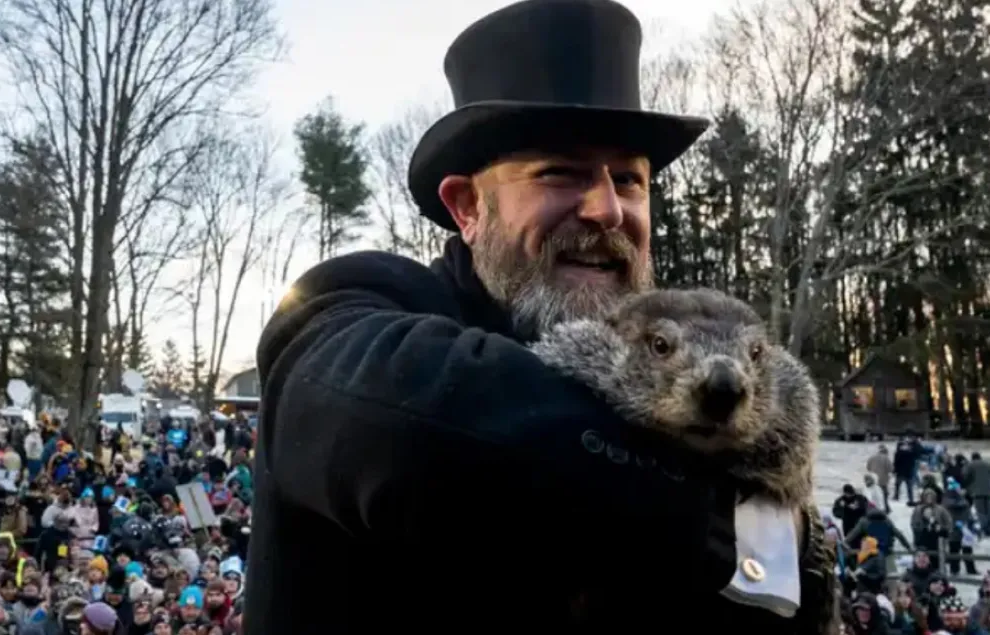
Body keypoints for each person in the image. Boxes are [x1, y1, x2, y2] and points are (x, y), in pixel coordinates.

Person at [249, 0, 833, 632]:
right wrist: (741, 525)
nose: (607, 210)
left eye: (630, 182)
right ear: (468, 206)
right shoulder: (356, 301)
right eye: (561, 173)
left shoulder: (688, 333)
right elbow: (391, 426)